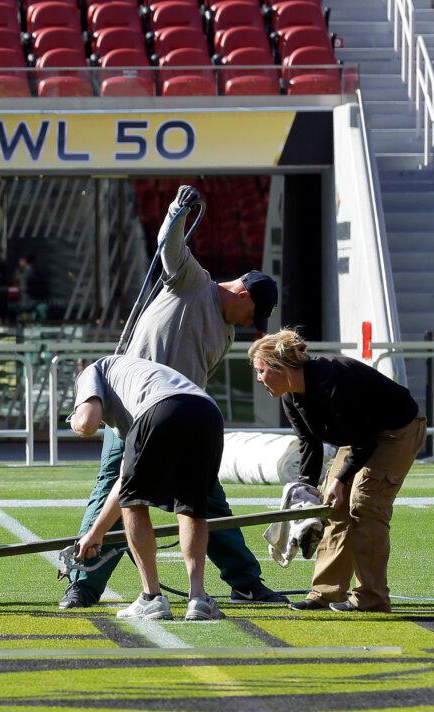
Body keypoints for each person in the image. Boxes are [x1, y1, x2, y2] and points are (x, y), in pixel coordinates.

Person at [61, 185, 285, 610]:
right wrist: (178, 209)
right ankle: (83, 584)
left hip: (179, 418)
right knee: (116, 491)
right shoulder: (190, 280)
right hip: (128, 412)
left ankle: (245, 581)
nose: (250, 325)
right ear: (242, 293)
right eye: (252, 314)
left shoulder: (226, 331)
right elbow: (170, 244)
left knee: (206, 500)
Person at [249, 329, 425, 612]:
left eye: (261, 371)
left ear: (279, 367)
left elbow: (367, 440)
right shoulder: (290, 395)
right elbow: (310, 443)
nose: (258, 379)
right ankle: (326, 593)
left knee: (364, 505)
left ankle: (372, 598)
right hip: (359, 437)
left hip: (396, 431)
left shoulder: (334, 379)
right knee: (330, 507)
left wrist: (341, 479)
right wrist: (304, 488)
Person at [70, 355, 226, 621]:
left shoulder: (92, 371)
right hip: (207, 412)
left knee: (135, 504)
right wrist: (96, 533)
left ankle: (151, 598)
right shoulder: (136, 379)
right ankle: (198, 599)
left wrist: (73, 418)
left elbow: (86, 423)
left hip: (160, 409)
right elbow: (124, 481)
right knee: (192, 505)